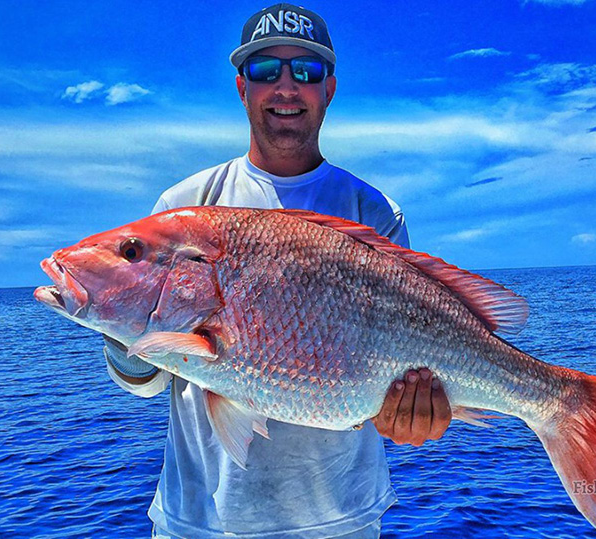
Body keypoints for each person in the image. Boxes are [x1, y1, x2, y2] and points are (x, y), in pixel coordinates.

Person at [103, 4, 452, 538]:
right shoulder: (184, 204)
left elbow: (388, 402)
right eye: (267, 70)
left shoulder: (375, 213)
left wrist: (410, 416)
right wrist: (118, 322)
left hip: (341, 522)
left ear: (328, 89)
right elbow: (144, 383)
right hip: (199, 523)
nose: (286, 87)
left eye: (305, 72)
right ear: (242, 87)